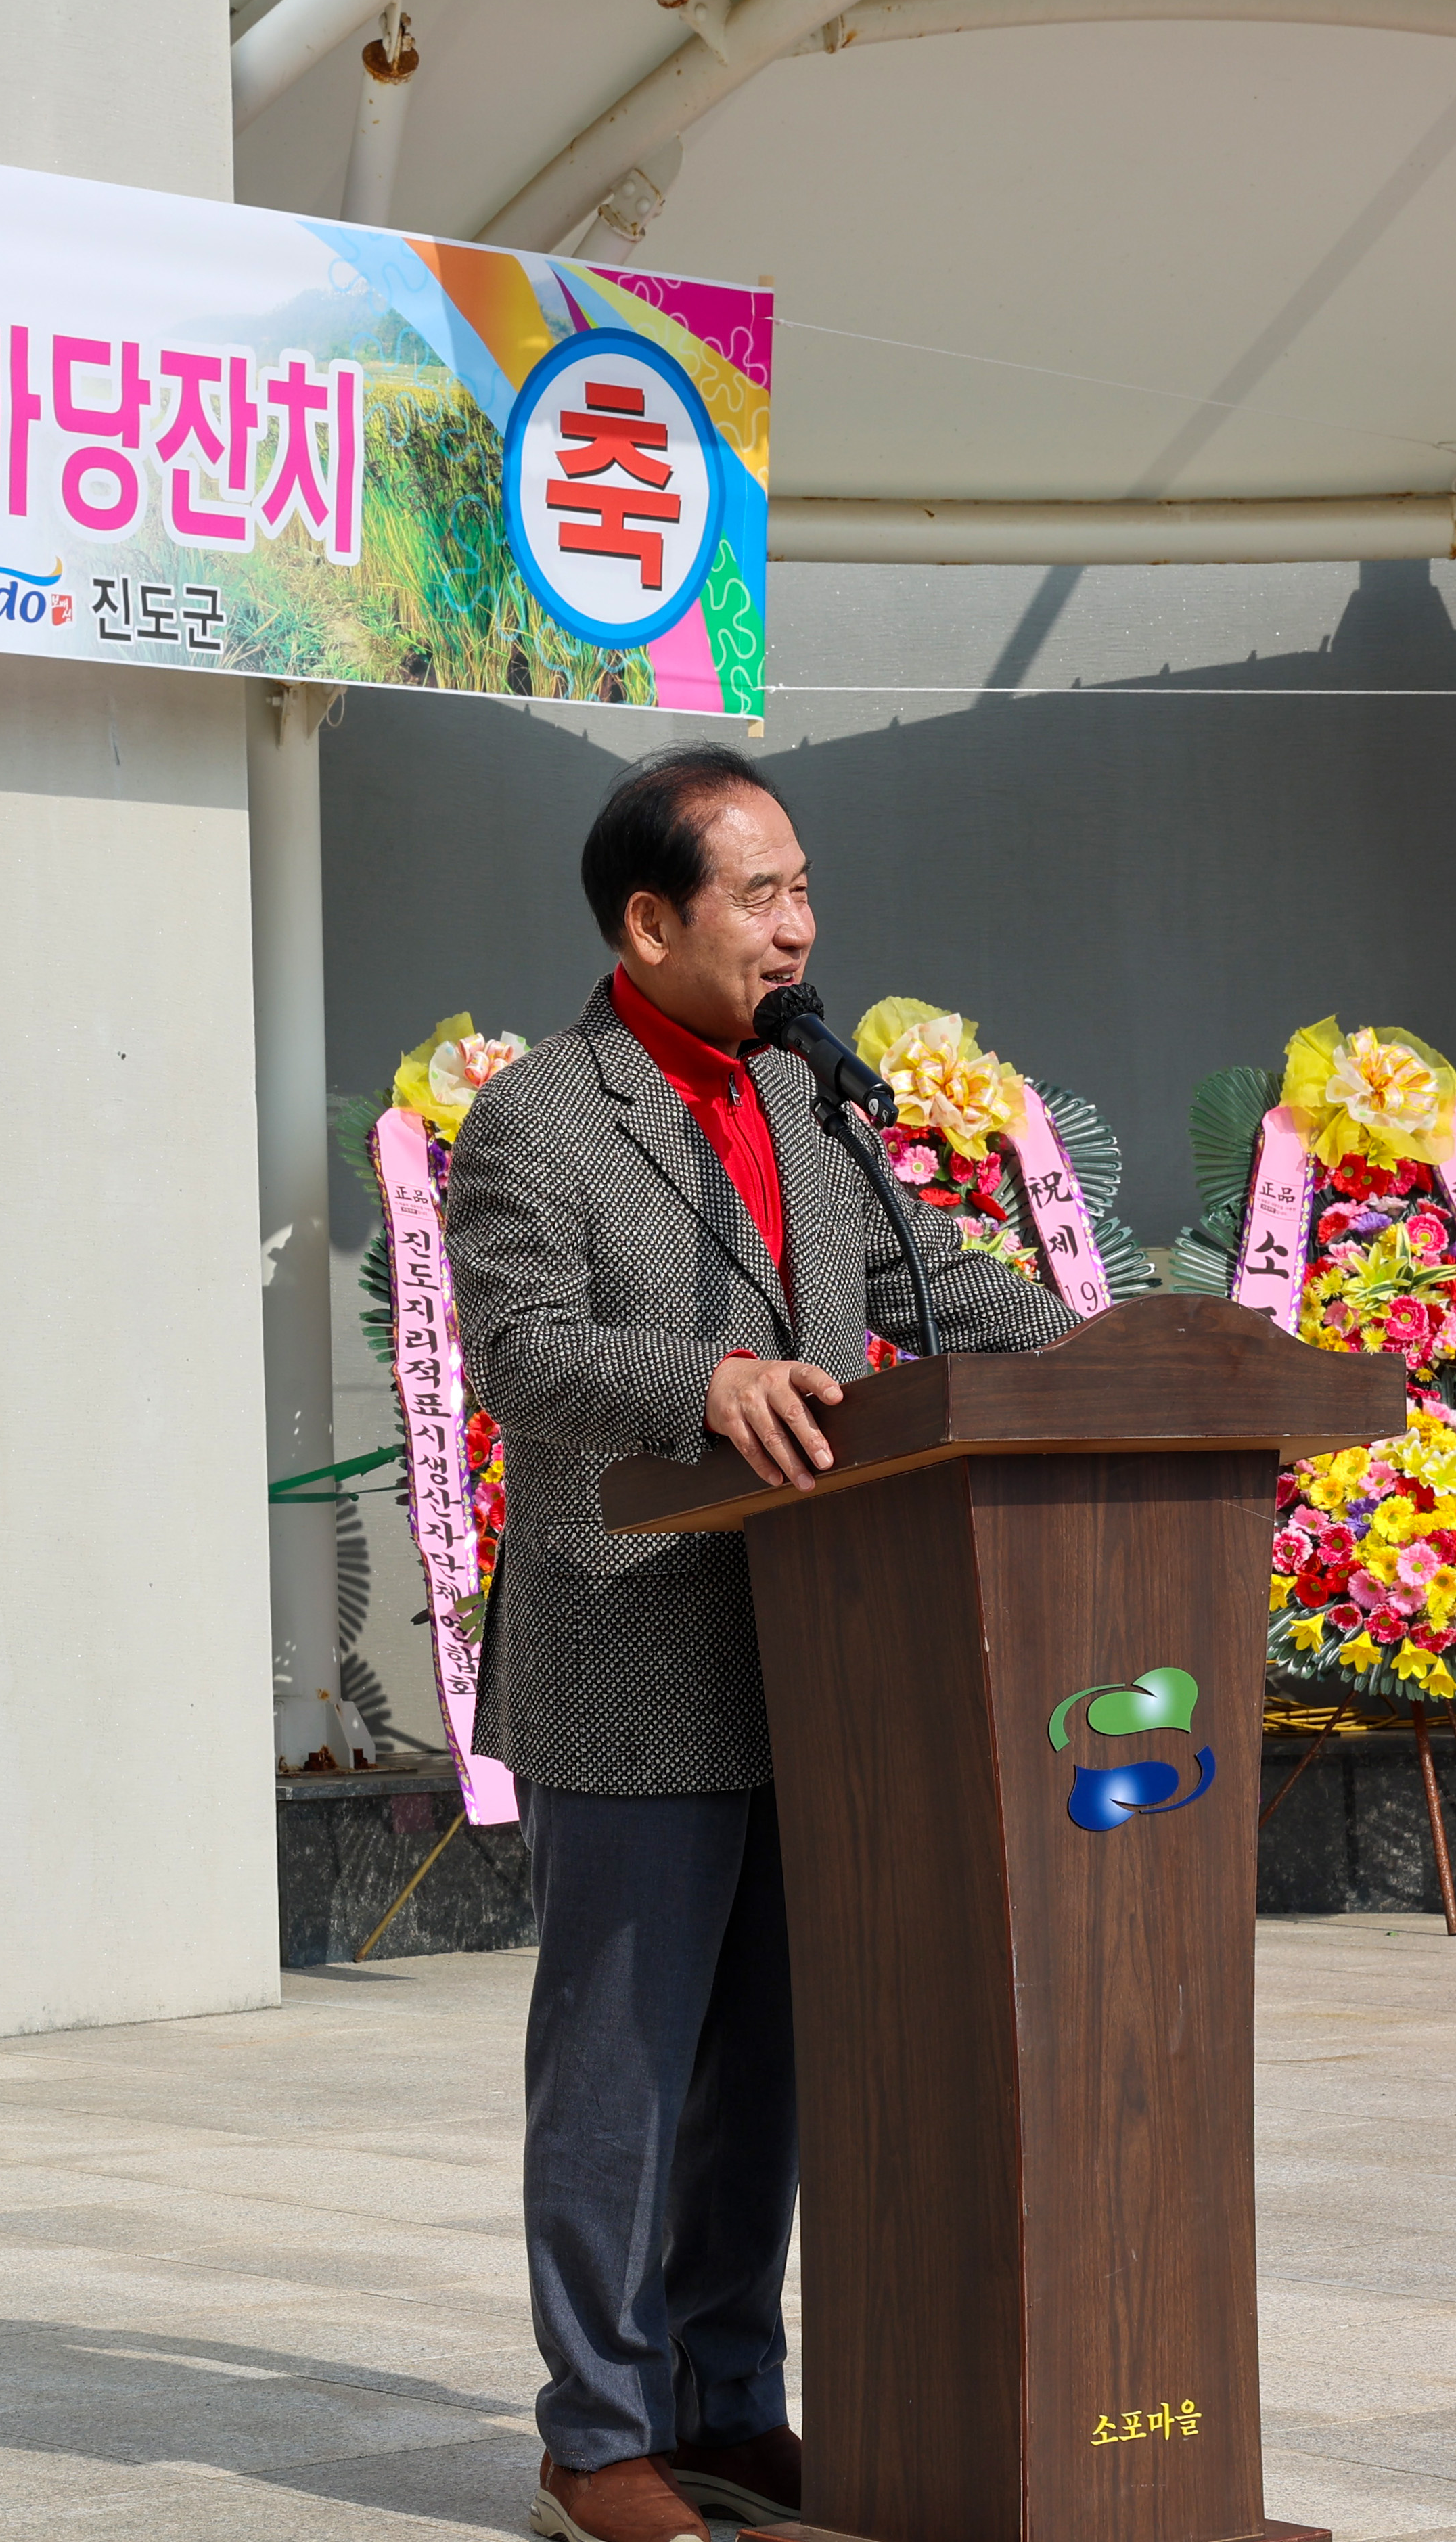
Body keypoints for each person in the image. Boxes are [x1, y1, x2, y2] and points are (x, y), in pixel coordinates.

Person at [445, 743, 1078, 2542]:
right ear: (649, 921)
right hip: (631, 1651)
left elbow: (923, 1279)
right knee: (625, 2068)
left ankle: (729, 2401)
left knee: (763, 2075)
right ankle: (599, 2432)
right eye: (761, 895)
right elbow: (526, 1350)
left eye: (806, 891)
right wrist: (705, 1380)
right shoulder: (542, 1118)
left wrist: (1103, 1356)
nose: (800, 928)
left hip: (818, 1651)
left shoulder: (803, 1107)